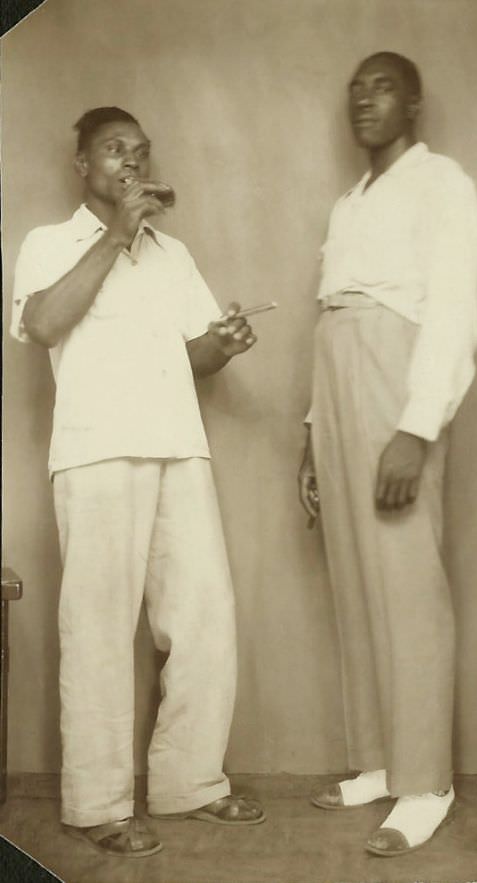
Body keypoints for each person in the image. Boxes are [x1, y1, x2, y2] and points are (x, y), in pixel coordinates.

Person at [10, 106, 265, 858]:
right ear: (82, 165)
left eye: (141, 151)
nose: (131, 161)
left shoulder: (172, 252)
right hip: (95, 451)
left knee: (204, 616)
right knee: (95, 625)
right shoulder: (48, 244)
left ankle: (190, 781)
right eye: (115, 150)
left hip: (177, 445)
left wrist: (221, 344)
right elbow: (45, 322)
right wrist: (117, 232)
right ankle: (96, 803)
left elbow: (188, 357)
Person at [298, 52, 477, 857]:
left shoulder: (443, 182)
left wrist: (416, 425)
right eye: (355, 88)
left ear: (413, 102)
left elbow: (452, 309)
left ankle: (427, 781)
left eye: (381, 87)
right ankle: (380, 762)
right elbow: (329, 316)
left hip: (395, 374)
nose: (363, 99)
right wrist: (311, 432)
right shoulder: (350, 203)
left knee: (406, 579)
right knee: (355, 576)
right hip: (337, 375)